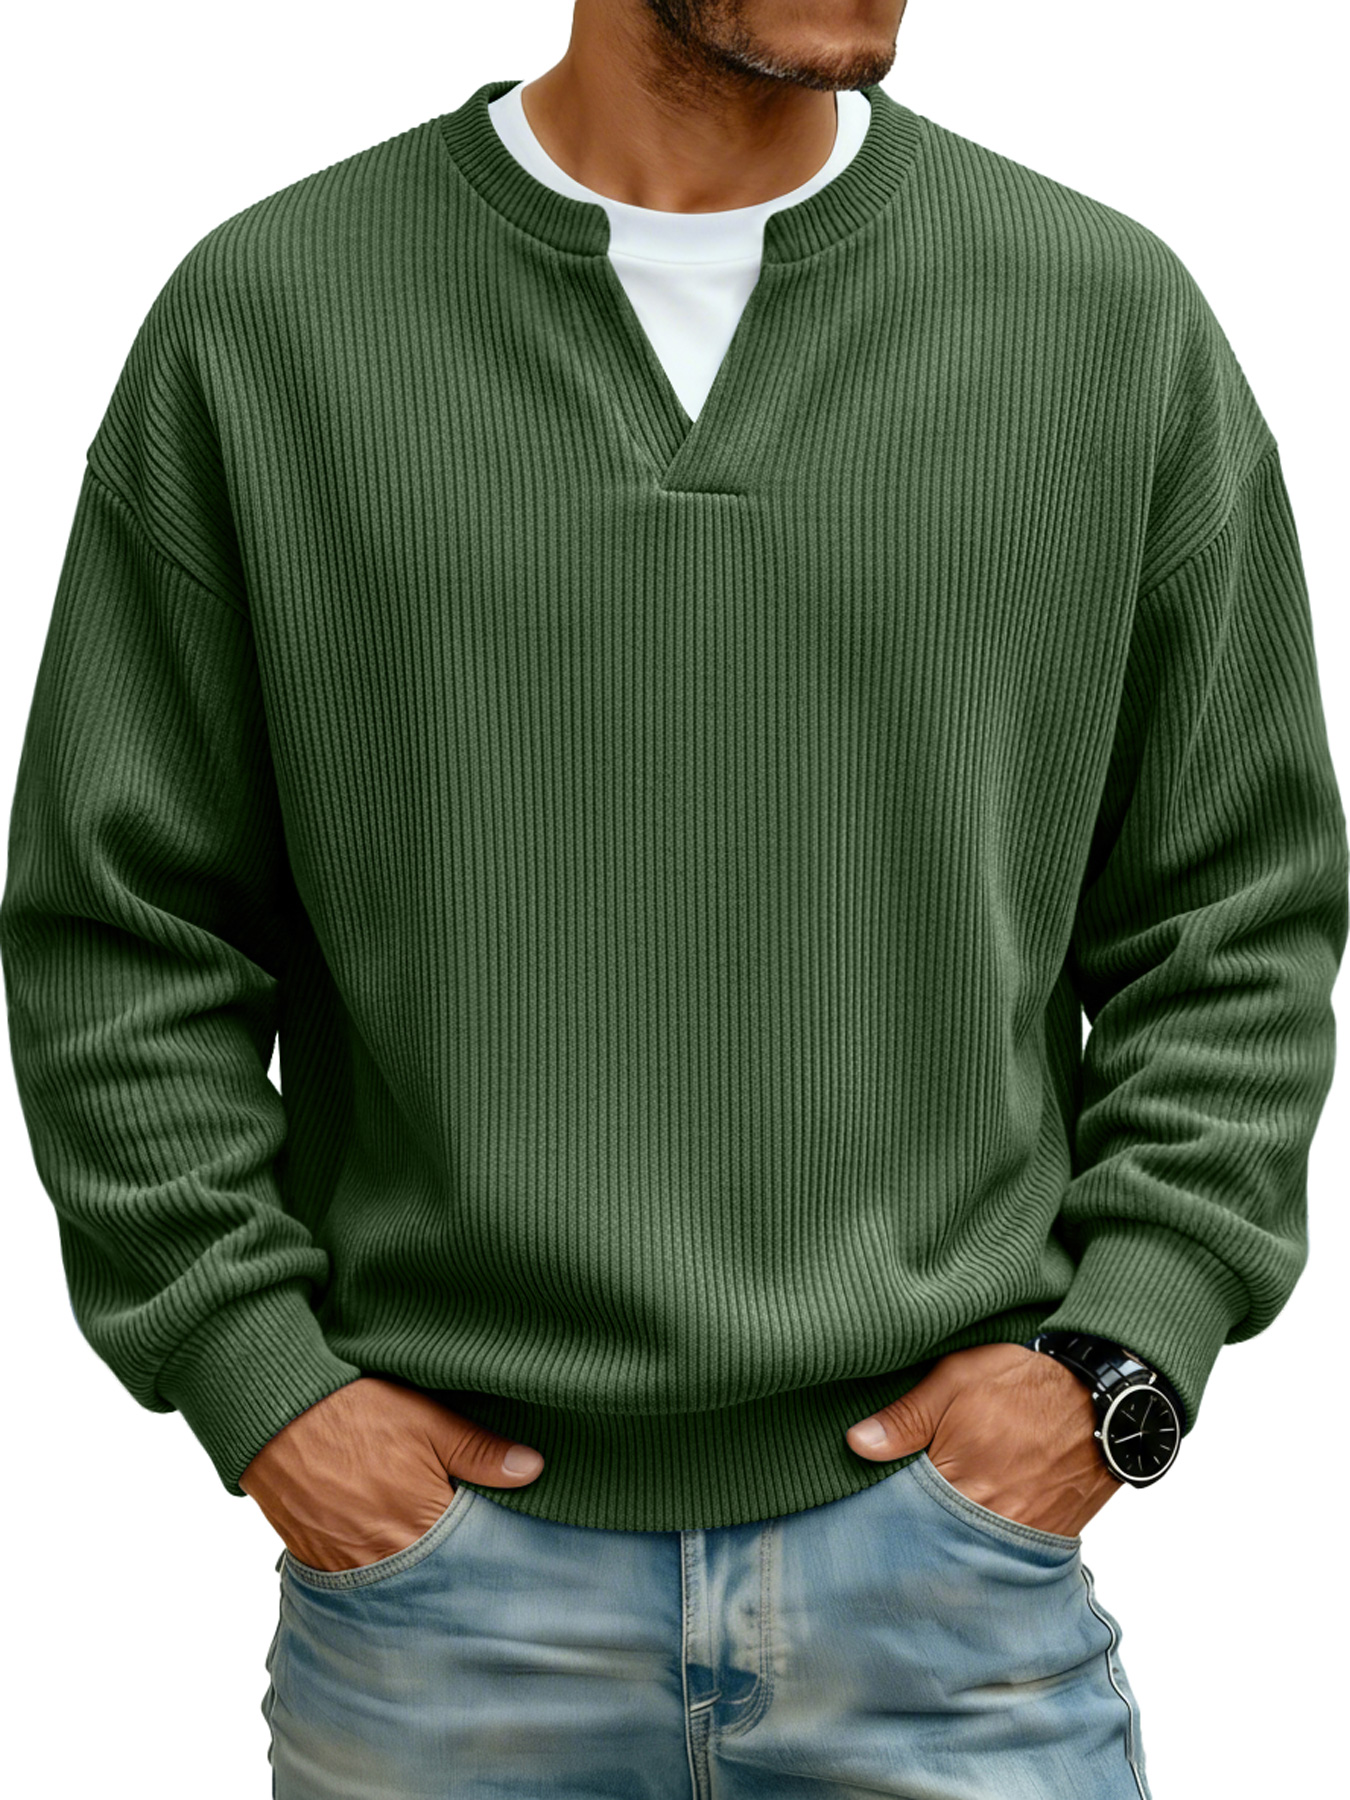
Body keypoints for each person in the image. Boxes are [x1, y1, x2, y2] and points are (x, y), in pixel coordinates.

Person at [2, 1, 1346, 1795]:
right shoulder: (271, 321)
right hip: (441, 1617)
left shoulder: (1104, 322)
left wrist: (1119, 1356)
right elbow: (118, 928)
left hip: (949, 1596)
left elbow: (1235, 908)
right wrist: (261, 1384)